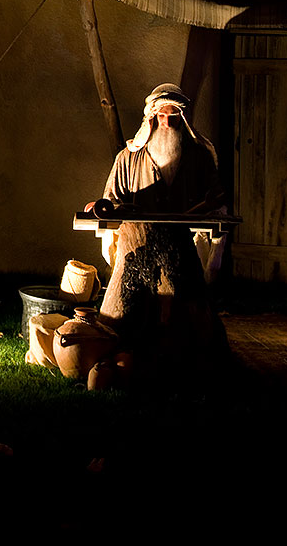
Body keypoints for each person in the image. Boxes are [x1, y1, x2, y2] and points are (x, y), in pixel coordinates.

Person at [90, 83, 228, 375]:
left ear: (182, 119)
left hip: (180, 251)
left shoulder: (199, 158)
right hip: (135, 250)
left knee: (187, 316)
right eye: (160, 117)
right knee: (124, 311)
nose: (166, 123)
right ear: (151, 119)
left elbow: (215, 199)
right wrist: (105, 206)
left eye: (173, 117)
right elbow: (112, 199)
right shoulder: (128, 158)